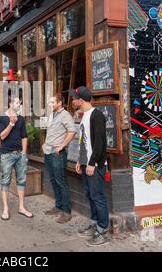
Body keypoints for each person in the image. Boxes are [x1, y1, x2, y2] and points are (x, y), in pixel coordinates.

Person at [70, 86, 110, 246]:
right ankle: (94, 223)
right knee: (90, 195)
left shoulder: (96, 115)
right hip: (86, 164)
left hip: (95, 165)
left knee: (98, 197)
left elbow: (100, 142)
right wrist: (80, 160)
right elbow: (83, 142)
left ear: (81, 100)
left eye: (74, 98)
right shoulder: (84, 115)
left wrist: (92, 163)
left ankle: (103, 230)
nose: (73, 100)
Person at [0, 97, 33, 220]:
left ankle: (21, 207)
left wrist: (23, 153)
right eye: (17, 102)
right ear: (10, 103)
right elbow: (2, 136)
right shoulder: (1, 118)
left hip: (19, 154)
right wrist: (11, 123)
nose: (19, 104)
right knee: (5, 180)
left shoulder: (21, 119)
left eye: (20, 102)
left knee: (21, 180)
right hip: (7, 154)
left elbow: (24, 137)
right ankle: (5, 209)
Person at [42, 93, 76, 224]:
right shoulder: (52, 114)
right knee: (53, 180)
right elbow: (51, 131)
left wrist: (62, 146)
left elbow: (72, 131)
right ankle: (58, 206)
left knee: (61, 181)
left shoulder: (65, 115)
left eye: (52, 102)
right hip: (48, 151)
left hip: (57, 153)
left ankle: (67, 212)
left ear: (60, 103)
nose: (50, 104)